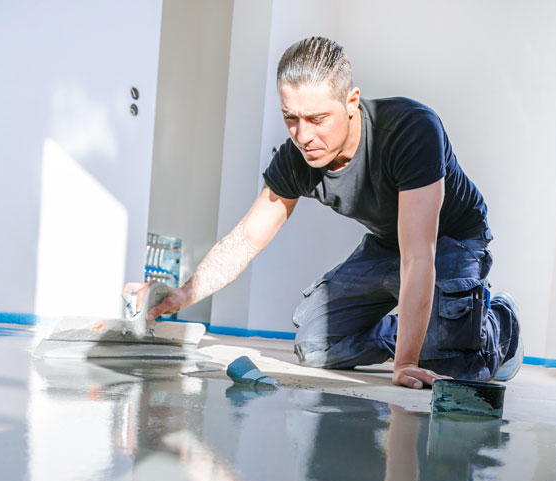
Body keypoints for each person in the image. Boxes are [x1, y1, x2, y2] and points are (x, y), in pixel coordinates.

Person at [129, 36, 522, 389]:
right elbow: (247, 238)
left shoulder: (410, 129)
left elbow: (421, 254)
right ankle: (433, 330)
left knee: (451, 366)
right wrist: (185, 292)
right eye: (291, 118)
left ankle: (500, 324)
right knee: (316, 346)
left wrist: (405, 362)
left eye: (317, 119)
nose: (303, 136)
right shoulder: (296, 158)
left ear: (351, 102)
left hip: (451, 241)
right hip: (389, 246)